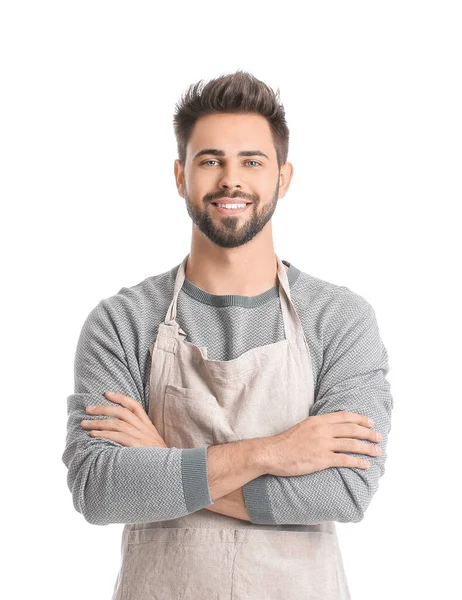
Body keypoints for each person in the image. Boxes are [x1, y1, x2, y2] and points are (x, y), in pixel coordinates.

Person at [62, 69, 393, 600]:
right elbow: (101, 488)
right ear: (180, 176)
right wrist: (275, 452)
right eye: (210, 160)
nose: (230, 180)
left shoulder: (339, 318)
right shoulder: (122, 321)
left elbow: (345, 490)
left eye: (252, 162)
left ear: (283, 178)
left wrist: (165, 458)